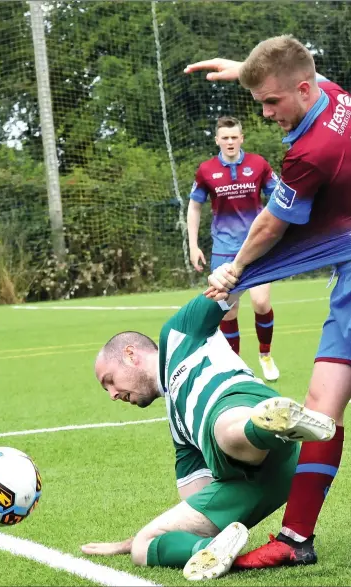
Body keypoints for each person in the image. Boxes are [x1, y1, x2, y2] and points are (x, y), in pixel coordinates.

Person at [184, 34, 351, 568]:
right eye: (260, 104)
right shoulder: (335, 97)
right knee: (322, 404)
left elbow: (272, 225)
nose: (266, 115)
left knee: (324, 403)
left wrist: (233, 270)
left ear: (301, 90)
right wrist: (250, 70)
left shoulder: (310, 153)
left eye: (272, 103)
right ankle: (296, 539)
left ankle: (295, 538)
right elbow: (303, 72)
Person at [81, 291, 335, 580]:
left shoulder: (178, 333)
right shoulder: (178, 427)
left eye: (110, 381)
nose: (113, 395)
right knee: (143, 546)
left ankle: (271, 424)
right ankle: (214, 552)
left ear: (130, 354)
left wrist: (234, 268)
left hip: (239, 404)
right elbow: (198, 498)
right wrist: (139, 537)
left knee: (222, 430)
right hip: (257, 484)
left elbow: (229, 287)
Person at [187, 115, 279, 381]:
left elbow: (278, 198)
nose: (229, 142)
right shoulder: (206, 170)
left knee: (261, 303)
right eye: (224, 137)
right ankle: (236, 367)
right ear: (217, 140)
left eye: (234, 137)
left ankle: (265, 355)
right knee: (228, 309)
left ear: (242, 138)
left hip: (259, 246)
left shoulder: (258, 164)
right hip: (225, 250)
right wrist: (193, 246)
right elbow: (194, 206)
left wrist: (280, 232)